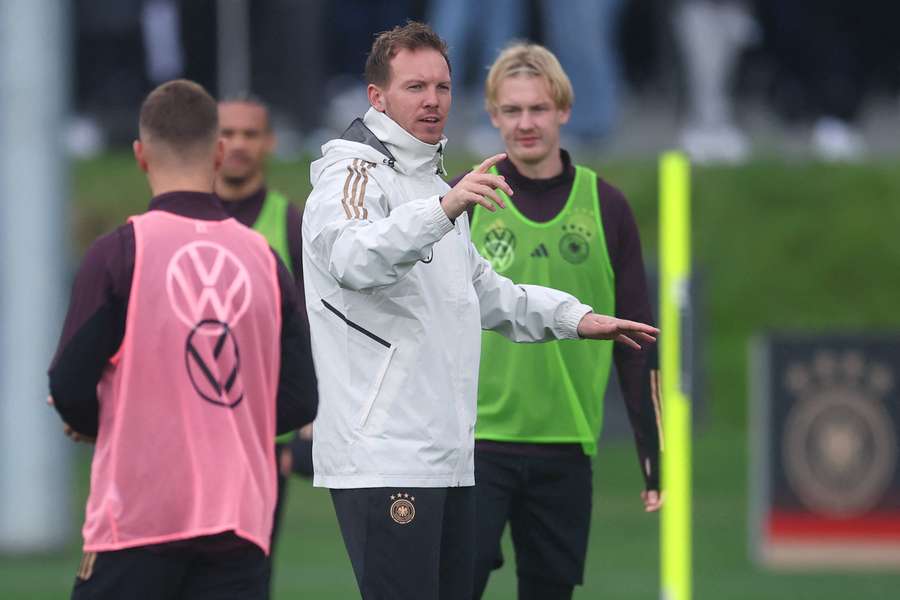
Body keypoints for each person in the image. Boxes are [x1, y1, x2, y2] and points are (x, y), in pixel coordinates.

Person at [301, 21, 659, 599]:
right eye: (415, 87)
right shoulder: (352, 173)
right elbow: (352, 257)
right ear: (377, 98)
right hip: (386, 454)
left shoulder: (429, 181)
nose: (433, 101)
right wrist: (443, 209)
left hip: (446, 453)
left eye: (442, 87)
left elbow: (487, 293)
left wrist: (576, 318)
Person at [47, 79, 318, 600]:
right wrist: (226, 421)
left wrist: (102, 424)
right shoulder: (265, 258)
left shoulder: (119, 253)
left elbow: (68, 383)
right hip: (238, 523)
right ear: (219, 153)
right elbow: (301, 398)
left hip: (136, 522)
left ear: (140, 155)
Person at [449, 43, 663, 600]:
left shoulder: (606, 205)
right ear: (493, 116)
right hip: (476, 442)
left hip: (567, 443)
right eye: (512, 110)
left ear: (563, 110)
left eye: (538, 109)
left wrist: (652, 452)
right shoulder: (465, 204)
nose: (525, 123)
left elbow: (637, 336)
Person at [214, 93, 314, 596]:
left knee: (250, 573)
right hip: (193, 434)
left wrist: (310, 419)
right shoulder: (178, 221)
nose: (237, 145)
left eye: (250, 134)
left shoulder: (292, 226)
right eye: (226, 133)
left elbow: (314, 329)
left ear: (269, 143)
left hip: (262, 438)